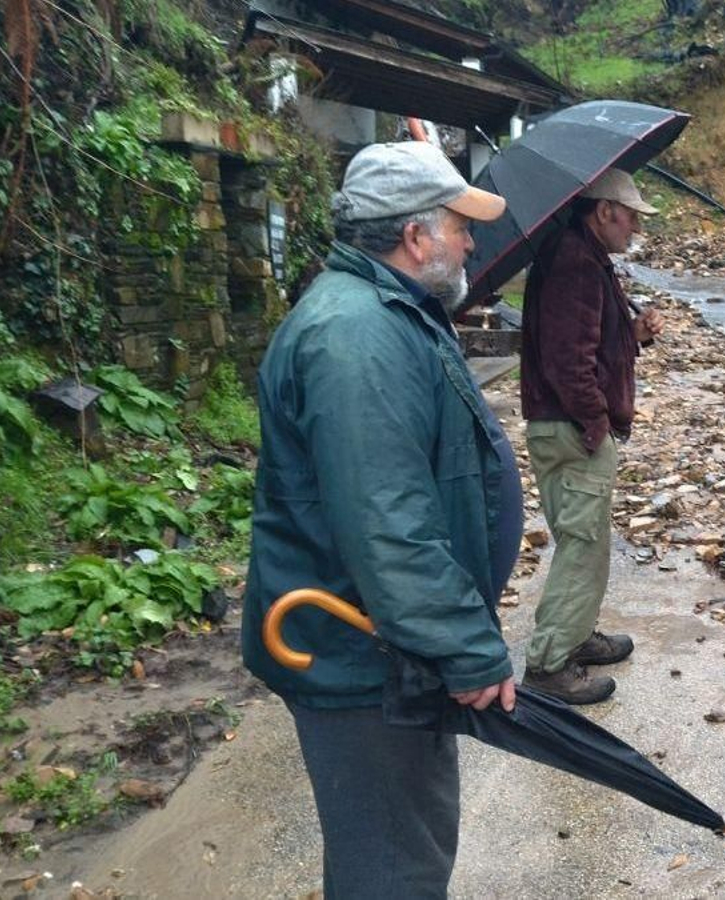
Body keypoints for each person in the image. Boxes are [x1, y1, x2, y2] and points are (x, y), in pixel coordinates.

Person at [240, 141, 521, 899]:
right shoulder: (356, 337)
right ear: (415, 236)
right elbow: (386, 522)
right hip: (365, 656)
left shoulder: (389, 310)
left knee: (405, 846)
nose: (471, 240)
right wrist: (466, 648)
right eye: (460, 225)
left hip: (386, 648)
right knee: (394, 866)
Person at [518, 168, 666, 704]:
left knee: (590, 541)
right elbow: (568, 362)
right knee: (581, 545)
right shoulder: (576, 262)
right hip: (572, 429)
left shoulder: (582, 256)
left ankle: (575, 637)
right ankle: (549, 664)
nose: (636, 229)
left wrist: (634, 334)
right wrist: (597, 425)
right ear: (604, 210)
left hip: (569, 425)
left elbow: (591, 344)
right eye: (631, 217)